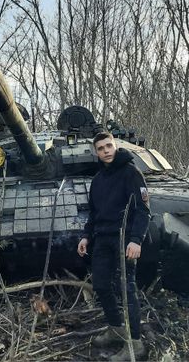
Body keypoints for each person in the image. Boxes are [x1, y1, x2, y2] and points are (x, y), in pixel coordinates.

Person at [77, 132, 151, 360]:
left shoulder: (131, 173)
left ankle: (136, 345)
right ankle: (117, 328)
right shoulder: (98, 180)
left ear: (115, 146)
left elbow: (143, 210)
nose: (106, 151)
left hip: (124, 238)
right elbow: (94, 213)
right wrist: (86, 236)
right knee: (100, 285)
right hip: (102, 239)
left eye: (109, 146)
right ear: (96, 152)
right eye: (101, 148)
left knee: (126, 289)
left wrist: (136, 239)